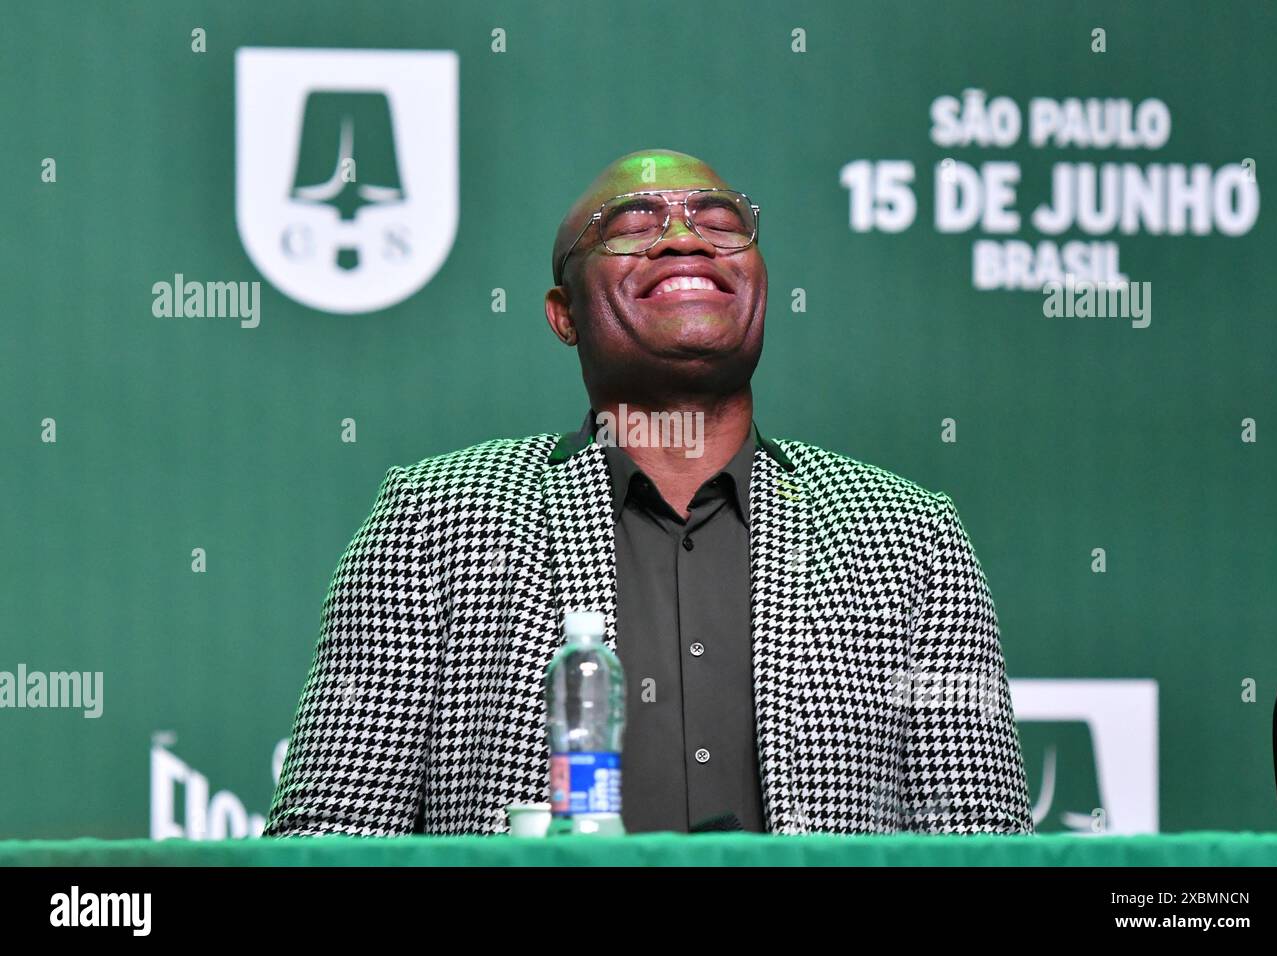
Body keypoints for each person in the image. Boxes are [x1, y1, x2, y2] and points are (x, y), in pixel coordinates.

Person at [263, 149, 1033, 837]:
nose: (684, 235)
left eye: (719, 219)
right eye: (632, 221)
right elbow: (332, 838)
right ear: (563, 314)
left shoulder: (908, 534)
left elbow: (983, 841)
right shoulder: (435, 518)